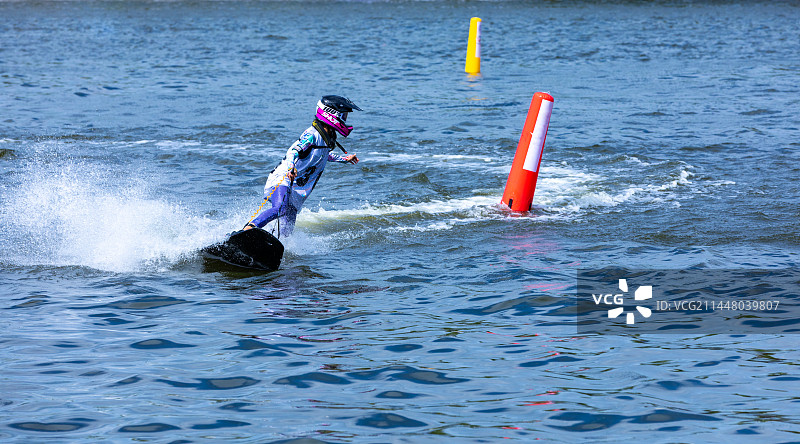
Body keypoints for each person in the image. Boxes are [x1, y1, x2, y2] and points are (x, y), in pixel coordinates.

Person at [244, 95, 362, 237]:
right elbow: (293, 151)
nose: (345, 119)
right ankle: (248, 230)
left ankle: (271, 247)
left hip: (297, 188)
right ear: (331, 115)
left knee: (288, 228)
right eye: (344, 115)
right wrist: (291, 167)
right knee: (280, 208)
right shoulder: (312, 134)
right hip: (283, 178)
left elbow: (324, 155)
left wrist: (344, 159)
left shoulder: (327, 137)